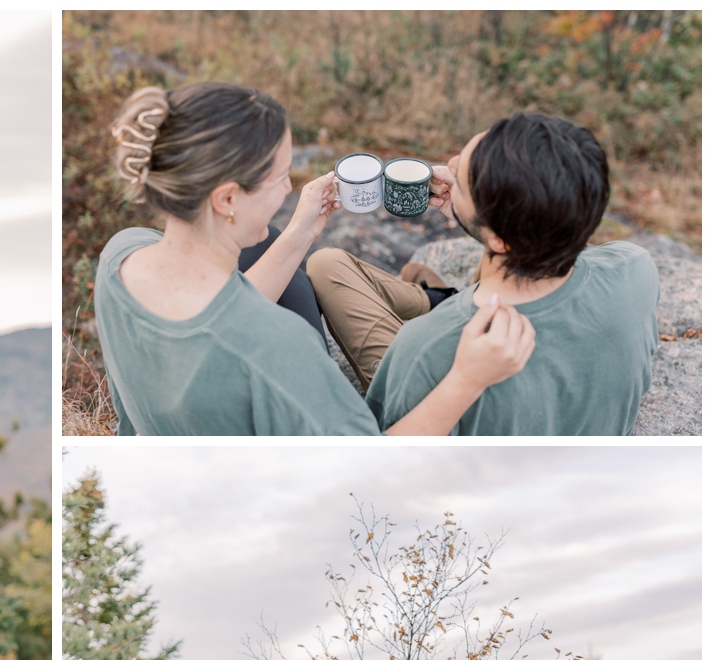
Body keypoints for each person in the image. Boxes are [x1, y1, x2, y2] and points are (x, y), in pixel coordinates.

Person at [95, 82, 535, 436]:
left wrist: (302, 230)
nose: (289, 189)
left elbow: (224, 312)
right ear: (227, 197)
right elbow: (369, 466)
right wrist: (467, 378)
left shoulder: (123, 254)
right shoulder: (279, 349)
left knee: (295, 261)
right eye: (281, 176)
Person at [310, 111, 659, 434]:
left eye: (461, 180)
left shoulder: (421, 350)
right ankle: (440, 294)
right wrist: (474, 215)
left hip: (445, 375)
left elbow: (387, 457)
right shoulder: (635, 268)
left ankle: (440, 297)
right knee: (349, 266)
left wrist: (463, 380)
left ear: (499, 240)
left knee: (324, 265)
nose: (447, 165)